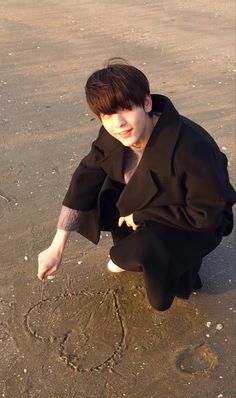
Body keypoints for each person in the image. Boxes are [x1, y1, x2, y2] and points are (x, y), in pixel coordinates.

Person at [37, 58, 236, 311]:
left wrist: (144, 214)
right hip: (151, 202)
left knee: (131, 260)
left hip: (197, 221)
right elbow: (85, 176)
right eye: (107, 115)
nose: (118, 123)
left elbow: (208, 215)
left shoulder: (193, 148)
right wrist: (57, 246)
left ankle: (182, 263)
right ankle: (142, 242)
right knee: (96, 184)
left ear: (147, 102)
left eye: (126, 109)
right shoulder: (113, 134)